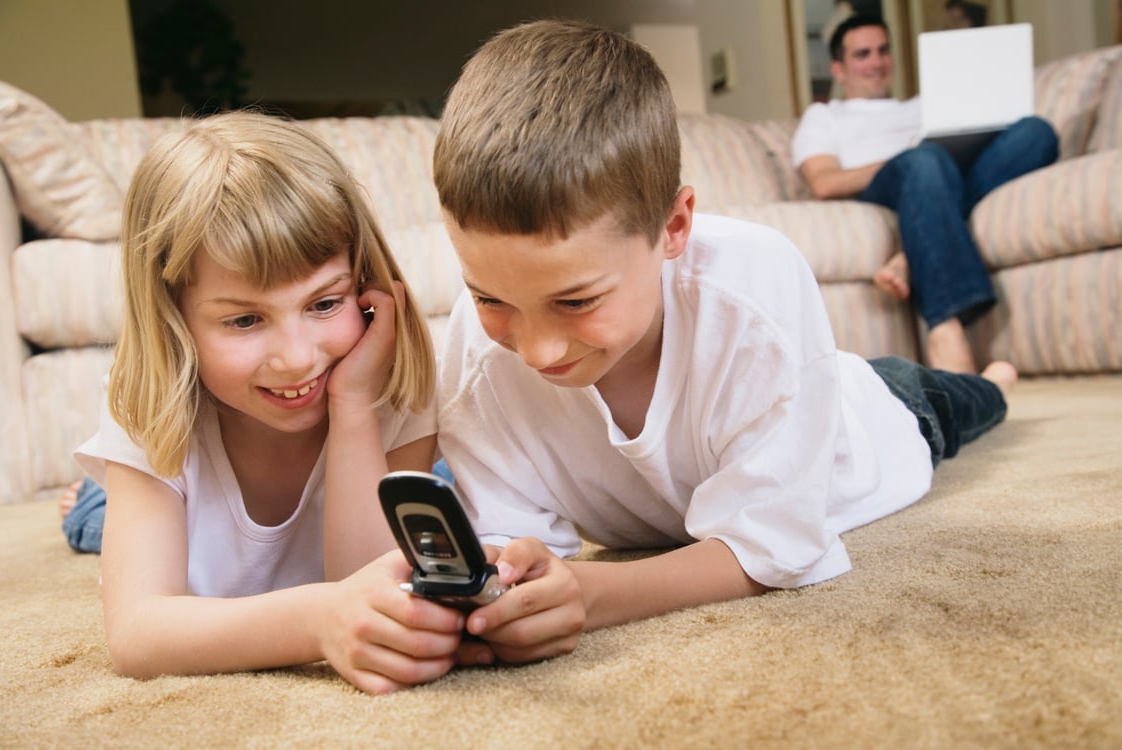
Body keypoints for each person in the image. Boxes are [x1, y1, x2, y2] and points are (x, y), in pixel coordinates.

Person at [430, 19, 1019, 667]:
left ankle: (996, 378)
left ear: (674, 226)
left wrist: (594, 595)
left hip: (884, 411)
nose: (538, 351)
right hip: (795, 392)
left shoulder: (754, 285)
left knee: (969, 399)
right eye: (490, 297)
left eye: (577, 300)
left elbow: (773, 547)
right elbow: (508, 541)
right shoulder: (474, 350)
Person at [73, 111, 467, 695]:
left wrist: (354, 406)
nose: (297, 358)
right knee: (93, 521)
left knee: (449, 500)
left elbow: (369, 585)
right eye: (245, 319)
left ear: (361, 283)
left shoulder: (384, 386)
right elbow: (136, 634)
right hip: (172, 452)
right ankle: (91, 494)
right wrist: (317, 621)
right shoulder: (146, 404)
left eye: (325, 304)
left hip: (363, 436)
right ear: (172, 318)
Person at [790, 14, 1058, 373]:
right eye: (863, 54)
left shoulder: (921, 106)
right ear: (839, 69)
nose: (877, 62)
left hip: (939, 178)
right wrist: (907, 156)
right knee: (925, 159)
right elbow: (824, 182)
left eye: (883, 51)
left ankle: (909, 257)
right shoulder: (824, 116)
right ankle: (945, 325)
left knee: (1036, 133)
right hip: (887, 185)